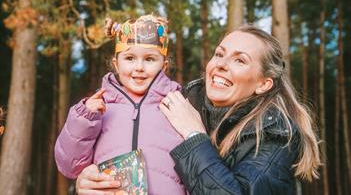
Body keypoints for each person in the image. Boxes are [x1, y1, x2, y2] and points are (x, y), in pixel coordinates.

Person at [75, 25, 321, 195]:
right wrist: (87, 182)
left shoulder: (277, 135)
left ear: (263, 83)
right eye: (219, 54)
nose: (221, 65)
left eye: (240, 60)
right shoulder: (180, 103)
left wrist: (194, 135)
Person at [55, 14, 186, 195]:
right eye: (130, 58)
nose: (139, 67)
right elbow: (68, 165)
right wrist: (84, 120)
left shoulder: (177, 106)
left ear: (163, 66)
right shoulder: (99, 108)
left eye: (149, 59)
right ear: (116, 64)